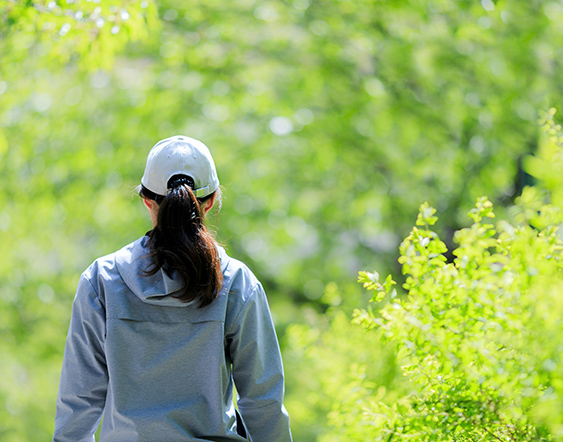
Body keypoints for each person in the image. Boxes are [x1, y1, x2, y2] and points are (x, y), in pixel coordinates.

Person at [54, 136, 293, 441]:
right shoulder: (236, 281)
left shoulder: (102, 280)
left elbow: (79, 401)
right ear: (211, 200)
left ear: (146, 199)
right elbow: (263, 403)